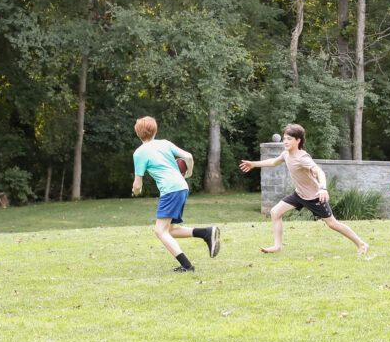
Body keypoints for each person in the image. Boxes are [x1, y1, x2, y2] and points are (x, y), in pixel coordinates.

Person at [240, 124, 369, 255]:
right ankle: (277, 246)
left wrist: (323, 188)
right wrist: (253, 164)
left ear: (298, 140)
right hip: (299, 195)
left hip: (314, 197)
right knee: (275, 212)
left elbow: (319, 171)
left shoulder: (303, 158)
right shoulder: (286, 154)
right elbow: (273, 162)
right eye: (284, 138)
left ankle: (362, 244)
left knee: (332, 224)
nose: (285, 141)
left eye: (289, 139)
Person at [131, 116, 219, 272]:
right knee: (169, 230)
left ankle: (187, 266)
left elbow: (137, 185)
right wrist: (189, 173)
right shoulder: (165, 143)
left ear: (137, 133)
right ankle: (206, 233)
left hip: (170, 190)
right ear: (155, 130)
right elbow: (188, 156)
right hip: (182, 187)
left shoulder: (139, 153)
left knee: (160, 231)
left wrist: (136, 191)